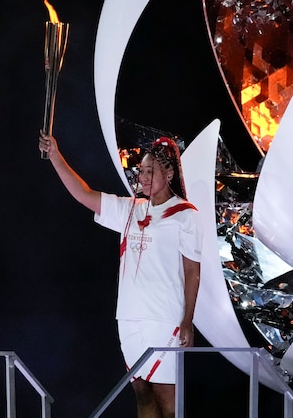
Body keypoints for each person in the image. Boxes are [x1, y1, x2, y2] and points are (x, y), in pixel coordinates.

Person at [38, 130, 202, 418]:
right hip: (128, 317)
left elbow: (192, 270)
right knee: (141, 391)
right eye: (142, 170)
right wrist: (56, 156)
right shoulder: (130, 210)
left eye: (151, 171)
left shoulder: (185, 215)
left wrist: (187, 320)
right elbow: (84, 194)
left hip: (164, 318)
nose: (144, 176)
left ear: (170, 174)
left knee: (166, 393)